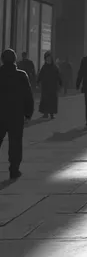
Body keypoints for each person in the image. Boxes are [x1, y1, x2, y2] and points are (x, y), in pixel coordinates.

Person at [0, 49, 34, 179]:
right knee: (15, 143)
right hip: (16, 115)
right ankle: (14, 170)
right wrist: (28, 113)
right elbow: (28, 96)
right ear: (14, 60)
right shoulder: (21, 75)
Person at [37, 52, 62, 119]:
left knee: (52, 100)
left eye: (49, 58)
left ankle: (51, 113)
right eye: (47, 58)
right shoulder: (44, 67)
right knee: (45, 100)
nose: (48, 60)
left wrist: (60, 83)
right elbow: (40, 75)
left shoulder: (54, 67)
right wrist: (37, 82)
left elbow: (58, 76)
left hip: (53, 87)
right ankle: (45, 113)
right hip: (45, 86)